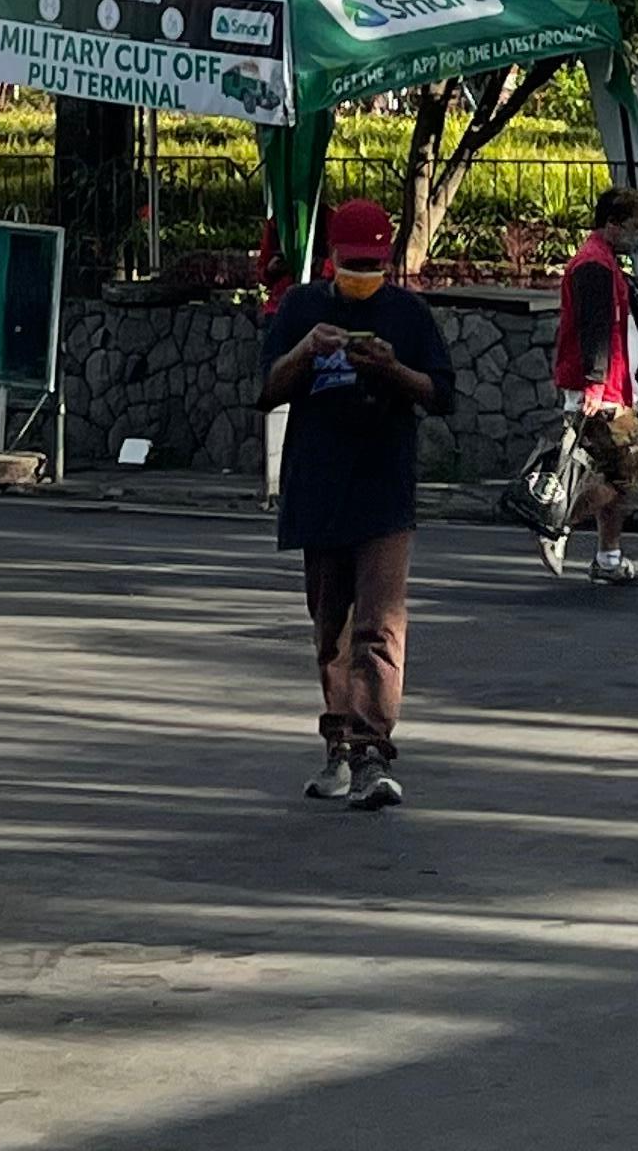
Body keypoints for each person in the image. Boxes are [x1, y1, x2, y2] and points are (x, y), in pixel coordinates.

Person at [256, 195, 456, 813]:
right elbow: (265, 389)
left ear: (389, 258)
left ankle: (374, 750)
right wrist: (306, 352)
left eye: (374, 262)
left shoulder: (408, 313)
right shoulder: (302, 308)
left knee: (380, 626)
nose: (363, 273)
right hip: (319, 487)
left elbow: (441, 394)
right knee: (332, 627)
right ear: (330, 260)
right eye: (353, 262)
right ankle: (337, 747)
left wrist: (393, 369)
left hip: (384, 489)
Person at [540, 185, 638, 587]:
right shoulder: (594, 266)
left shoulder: (602, 262)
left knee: (616, 472)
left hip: (617, 387)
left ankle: (607, 553)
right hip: (607, 391)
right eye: (634, 229)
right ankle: (556, 520)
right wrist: (595, 385)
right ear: (613, 224)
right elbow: (596, 329)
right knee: (620, 475)